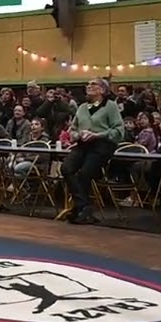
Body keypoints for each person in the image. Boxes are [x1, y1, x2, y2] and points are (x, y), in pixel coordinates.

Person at [61, 78, 124, 225]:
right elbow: (73, 129)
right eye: (88, 84)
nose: (88, 86)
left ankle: (81, 208)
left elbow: (118, 130)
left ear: (102, 90)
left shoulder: (110, 106)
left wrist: (98, 134)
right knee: (66, 168)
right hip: (83, 143)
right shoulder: (82, 107)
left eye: (93, 84)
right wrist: (77, 135)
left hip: (102, 144)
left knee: (85, 174)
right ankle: (83, 206)